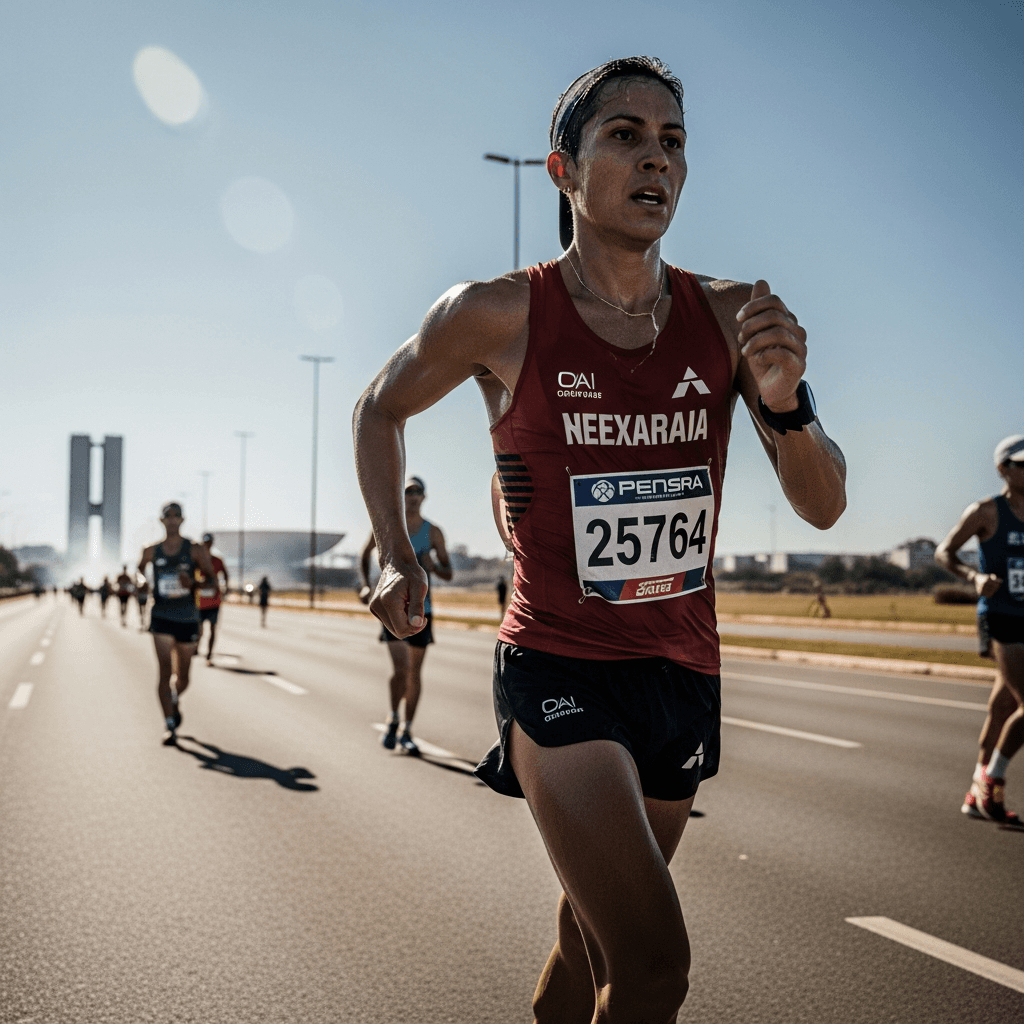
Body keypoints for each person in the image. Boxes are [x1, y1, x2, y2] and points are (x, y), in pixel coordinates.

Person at [352, 56, 846, 1021]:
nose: (655, 160)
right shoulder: (495, 313)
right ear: (562, 170)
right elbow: (379, 407)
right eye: (624, 136)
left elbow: (822, 505)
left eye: (673, 143)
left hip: (682, 675)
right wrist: (396, 555)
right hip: (558, 661)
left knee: (589, 953)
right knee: (655, 963)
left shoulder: (731, 313)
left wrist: (785, 407)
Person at [937, 434, 1024, 825]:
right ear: (1003, 468)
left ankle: (976, 789)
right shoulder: (987, 511)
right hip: (1001, 615)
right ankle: (993, 780)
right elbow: (945, 551)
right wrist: (973, 577)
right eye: (1022, 464)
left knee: (1004, 705)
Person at [358, 476, 453, 754]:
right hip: (393, 607)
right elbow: (364, 554)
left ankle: (408, 730)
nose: (413, 496)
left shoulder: (433, 532)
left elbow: (449, 573)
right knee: (401, 670)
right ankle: (393, 717)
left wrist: (433, 568)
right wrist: (365, 585)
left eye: (418, 492)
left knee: (414, 673)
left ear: (424, 497)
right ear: (401, 496)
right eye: (408, 491)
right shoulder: (388, 528)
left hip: (423, 609)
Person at [138, 502, 217, 745]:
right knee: (164, 673)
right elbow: (140, 571)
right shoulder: (151, 551)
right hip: (161, 615)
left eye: (176, 516)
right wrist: (142, 581)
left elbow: (212, 583)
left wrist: (193, 584)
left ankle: (174, 699)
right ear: (161, 521)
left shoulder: (194, 550)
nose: (172, 520)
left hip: (187, 618)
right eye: (167, 516)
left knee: (183, 678)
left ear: (182, 520)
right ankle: (169, 726)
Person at [195, 532, 229, 664]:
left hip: (214, 601)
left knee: (213, 628)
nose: (207, 545)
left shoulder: (217, 560)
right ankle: (196, 648)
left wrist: (225, 588)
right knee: (199, 629)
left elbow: (225, 574)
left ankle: (209, 655)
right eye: (205, 543)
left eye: (209, 543)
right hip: (199, 602)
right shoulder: (197, 561)